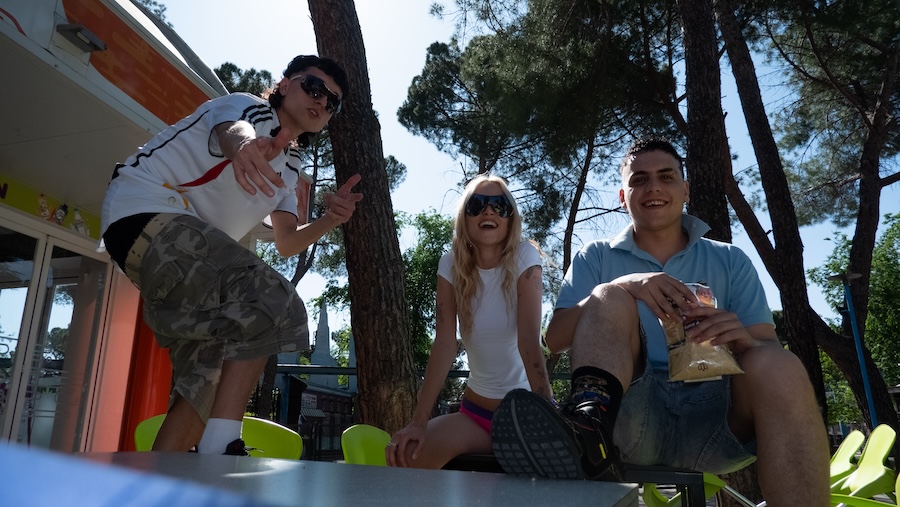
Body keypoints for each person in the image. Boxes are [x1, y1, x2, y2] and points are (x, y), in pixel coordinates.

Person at [490, 138, 830, 505]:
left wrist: (742, 338)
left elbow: (767, 346)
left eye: (666, 177)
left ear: (685, 189)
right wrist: (624, 286)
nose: (653, 187)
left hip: (717, 421)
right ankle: (587, 433)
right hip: (625, 419)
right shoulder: (596, 256)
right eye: (639, 180)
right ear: (623, 196)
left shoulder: (731, 260)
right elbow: (553, 339)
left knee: (781, 364)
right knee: (608, 296)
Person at [100, 54, 363, 455]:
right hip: (142, 210)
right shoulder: (247, 106)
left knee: (210, 379)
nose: (323, 102)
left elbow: (287, 241)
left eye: (334, 102)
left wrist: (330, 220)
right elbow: (231, 131)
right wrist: (242, 147)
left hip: (168, 252)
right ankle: (223, 447)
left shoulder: (290, 168)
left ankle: (160, 483)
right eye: (315, 87)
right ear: (286, 84)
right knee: (275, 299)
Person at [386, 174, 552, 469]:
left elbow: (529, 341)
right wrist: (418, 422)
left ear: (510, 217)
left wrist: (549, 414)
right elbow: (445, 344)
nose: (489, 211)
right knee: (407, 456)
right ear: (465, 217)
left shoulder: (525, 256)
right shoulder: (450, 264)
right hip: (474, 414)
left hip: (523, 415)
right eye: (477, 204)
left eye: (499, 205)